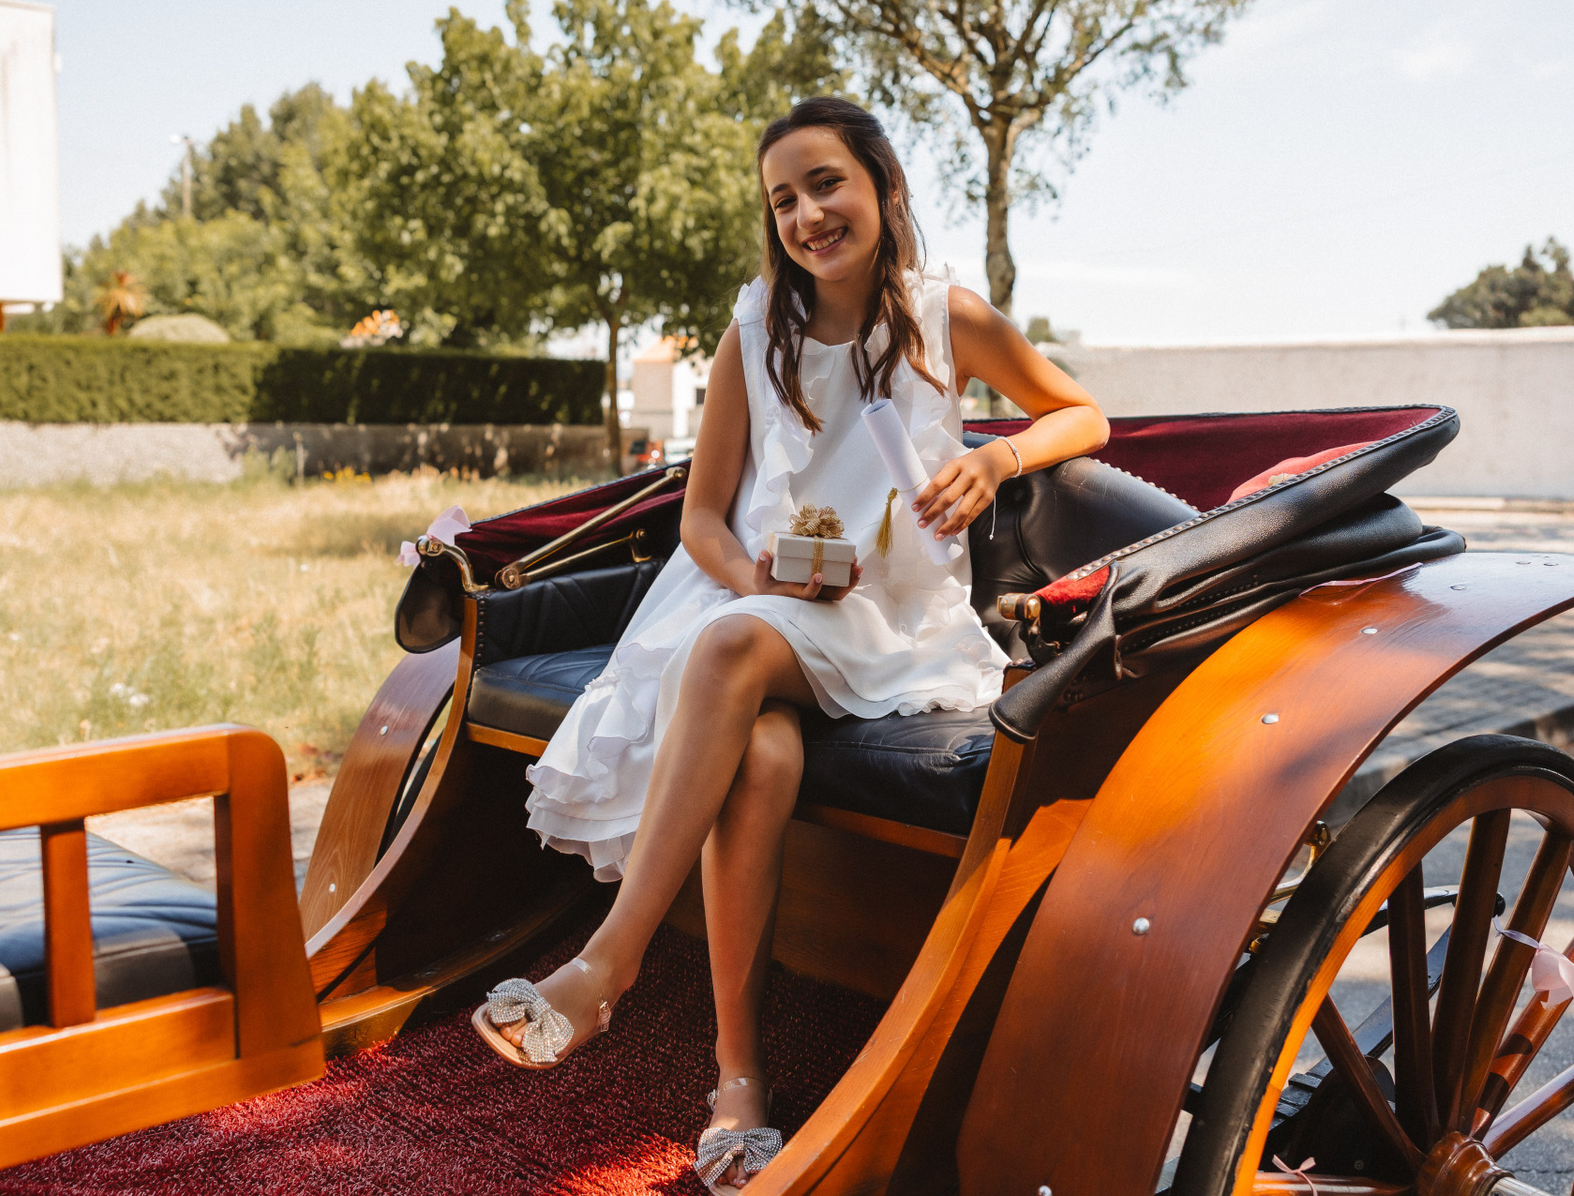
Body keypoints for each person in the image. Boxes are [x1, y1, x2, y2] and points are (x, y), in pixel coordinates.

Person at [473, 97, 1108, 1191]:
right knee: (759, 750)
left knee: (728, 657)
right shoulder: (754, 327)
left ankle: (608, 961)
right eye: (783, 200)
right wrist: (758, 581)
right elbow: (701, 520)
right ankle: (739, 1082)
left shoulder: (946, 315)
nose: (807, 214)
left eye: (826, 184)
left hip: (894, 617)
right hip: (763, 600)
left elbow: (1083, 413)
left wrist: (996, 462)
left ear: (882, 187)